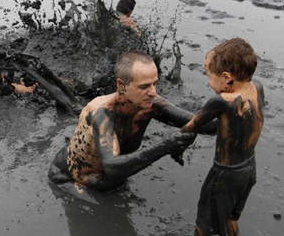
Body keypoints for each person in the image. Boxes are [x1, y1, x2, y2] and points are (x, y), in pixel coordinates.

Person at [48, 51, 198, 194]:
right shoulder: (102, 113)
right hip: (70, 179)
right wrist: (165, 146)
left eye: (154, 84)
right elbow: (111, 167)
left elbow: (200, 123)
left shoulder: (150, 102)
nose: (153, 92)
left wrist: (220, 101)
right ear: (121, 86)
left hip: (109, 179)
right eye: (144, 87)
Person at [181, 38, 264, 236]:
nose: (209, 82)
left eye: (209, 76)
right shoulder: (257, 88)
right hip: (249, 168)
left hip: (225, 173)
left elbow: (192, 125)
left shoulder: (222, 101)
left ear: (226, 78)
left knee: (207, 215)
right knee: (231, 212)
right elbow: (241, 122)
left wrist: (176, 134)